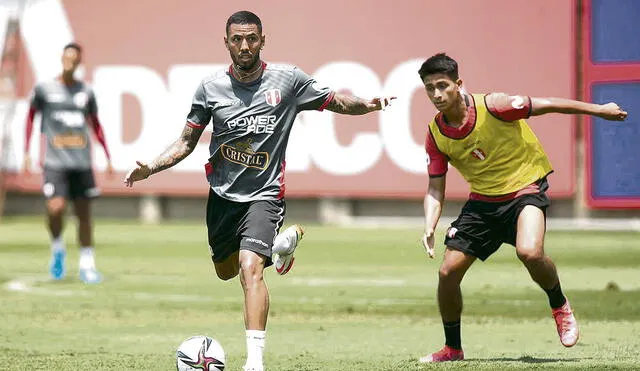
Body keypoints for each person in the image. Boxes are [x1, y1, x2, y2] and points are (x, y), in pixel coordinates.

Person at [124, 10, 394, 371]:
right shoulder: (209, 88)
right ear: (226, 43)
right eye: (237, 39)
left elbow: (337, 102)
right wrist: (151, 167)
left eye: (252, 38)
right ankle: (280, 246)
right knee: (226, 270)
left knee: (251, 269)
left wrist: (370, 104)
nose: (245, 45)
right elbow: (188, 140)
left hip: (265, 195)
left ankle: (255, 362)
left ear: (263, 40)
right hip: (222, 196)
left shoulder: (288, 81)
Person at [417, 53, 627, 363]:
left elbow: (549, 103)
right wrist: (430, 225)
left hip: (524, 189)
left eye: (442, 86)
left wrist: (599, 110)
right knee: (448, 272)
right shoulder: (436, 134)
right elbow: (435, 187)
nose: (436, 95)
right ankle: (453, 349)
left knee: (529, 252)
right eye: (429, 88)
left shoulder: (495, 105)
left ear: (459, 84)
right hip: (483, 205)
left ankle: (559, 304)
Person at [24, 42, 113, 284]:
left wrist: (106, 155)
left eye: (74, 60)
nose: (69, 64)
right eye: (66, 59)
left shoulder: (86, 92)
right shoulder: (44, 89)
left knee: (84, 215)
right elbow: (31, 117)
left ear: (79, 63)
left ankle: (87, 265)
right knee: (55, 208)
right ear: (61, 59)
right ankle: (57, 249)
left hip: (81, 163)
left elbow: (96, 124)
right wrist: (27, 150)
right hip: (55, 163)